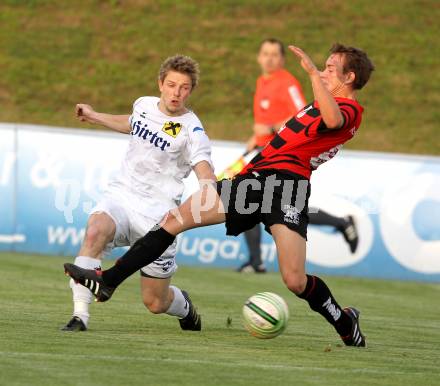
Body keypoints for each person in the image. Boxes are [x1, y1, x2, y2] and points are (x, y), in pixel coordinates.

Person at [64, 43, 374, 347]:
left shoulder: (349, 109)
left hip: (287, 190)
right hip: (253, 183)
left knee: (295, 280)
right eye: (322, 66)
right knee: (174, 220)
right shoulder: (321, 102)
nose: (322, 70)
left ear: (348, 78)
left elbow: (333, 121)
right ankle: (108, 281)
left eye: (330, 68)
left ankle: (345, 322)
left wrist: (309, 74)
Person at [62, 55, 216, 332]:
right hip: (122, 196)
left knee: (155, 302)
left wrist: (209, 188)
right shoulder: (143, 105)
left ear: (191, 91)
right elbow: (132, 123)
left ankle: (185, 306)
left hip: (159, 219)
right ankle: (79, 316)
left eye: (183, 87)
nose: (176, 93)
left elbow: (203, 165)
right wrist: (95, 116)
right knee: (95, 230)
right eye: (171, 85)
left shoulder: (192, 129)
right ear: (160, 84)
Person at [237, 38, 359, 273]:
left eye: (274, 54)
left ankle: (255, 261)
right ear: (258, 57)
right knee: (263, 204)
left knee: (258, 203)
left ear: (282, 59)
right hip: (266, 151)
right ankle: (256, 260)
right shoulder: (262, 81)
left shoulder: (286, 82)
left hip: (284, 155)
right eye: (265, 53)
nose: (269, 58)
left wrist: (271, 128)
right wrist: (257, 137)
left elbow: (301, 113)